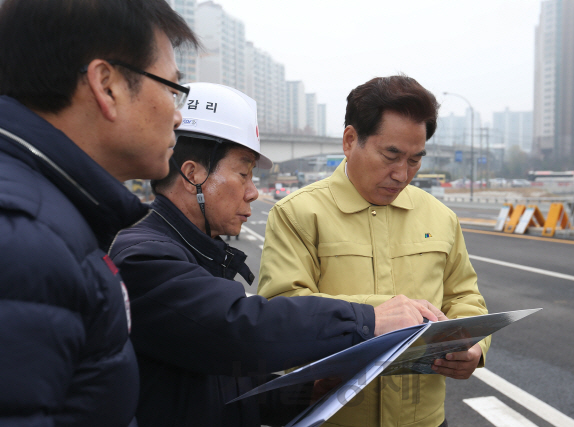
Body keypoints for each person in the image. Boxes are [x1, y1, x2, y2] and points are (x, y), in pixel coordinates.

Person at [108, 82, 441, 427]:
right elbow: (239, 329)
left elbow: (220, 379)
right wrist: (369, 321)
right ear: (193, 175)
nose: (253, 192)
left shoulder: (196, 253)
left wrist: (304, 394)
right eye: (243, 173)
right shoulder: (142, 258)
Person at [0, 1, 198, 425]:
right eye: (171, 88)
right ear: (106, 85)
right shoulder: (26, 241)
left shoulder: (46, 214)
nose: (178, 116)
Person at [258, 75, 491, 427]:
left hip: (425, 420)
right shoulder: (298, 214)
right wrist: (376, 314)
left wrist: (473, 347)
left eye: (415, 160)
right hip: (333, 418)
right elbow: (282, 309)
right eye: (391, 155)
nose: (402, 174)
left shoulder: (439, 216)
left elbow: (465, 296)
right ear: (350, 140)